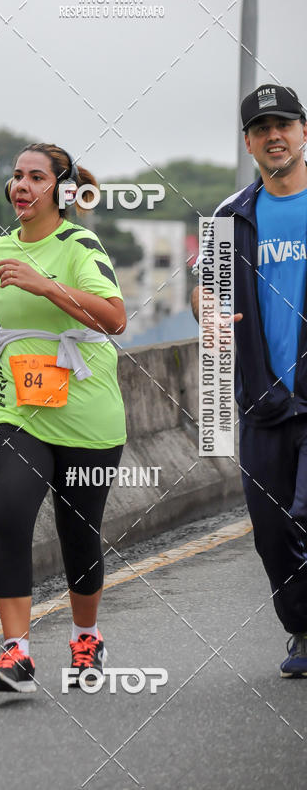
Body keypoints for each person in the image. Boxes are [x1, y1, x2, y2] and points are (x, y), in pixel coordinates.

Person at [0, 142, 127, 692]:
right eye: (16, 177)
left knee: (78, 533)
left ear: (60, 188)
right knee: (8, 514)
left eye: (35, 177)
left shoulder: (80, 243)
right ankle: (17, 654)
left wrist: (47, 285)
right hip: (17, 406)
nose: (22, 186)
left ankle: (86, 637)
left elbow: (115, 319)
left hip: (85, 407)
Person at [191, 84, 307, 677]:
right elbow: (204, 291)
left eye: (283, 124)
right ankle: (302, 628)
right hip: (262, 400)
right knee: (270, 530)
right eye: (262, 129)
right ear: (249, 143)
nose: (274, 136)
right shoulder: (230, 216)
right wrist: (206, 310)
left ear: (304, 132)